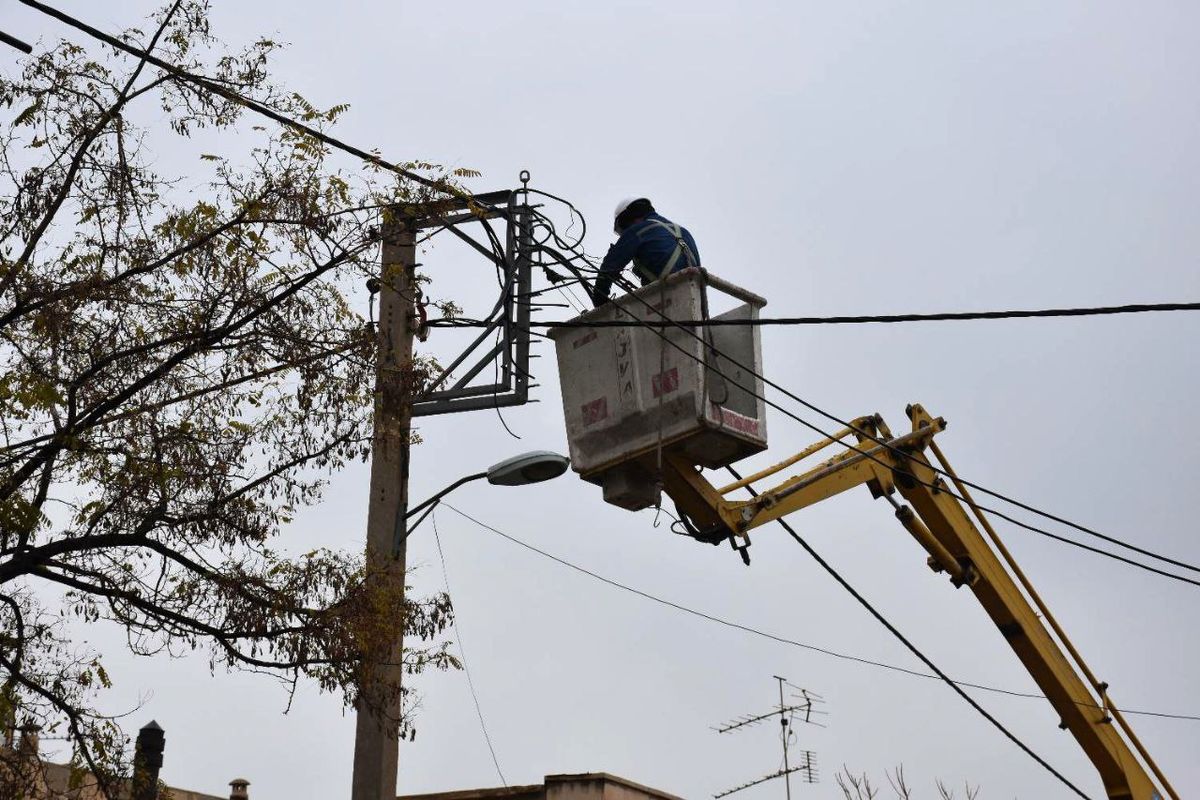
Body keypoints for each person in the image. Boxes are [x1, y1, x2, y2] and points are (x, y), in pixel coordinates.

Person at [589, 197, 701, 307]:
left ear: (627, 219)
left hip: (666, 301)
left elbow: (610, 265)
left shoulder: (637, 230)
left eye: (622, 229)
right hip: (695, 298)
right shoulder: (684, 232)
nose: (623, 233)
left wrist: (600, 300)